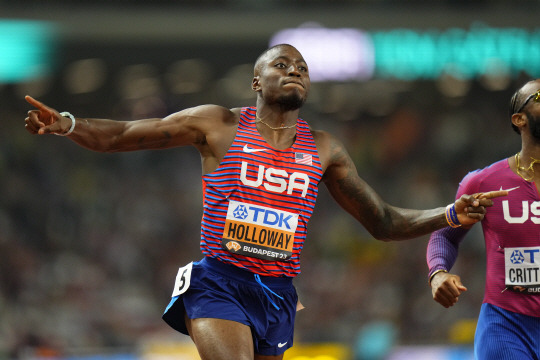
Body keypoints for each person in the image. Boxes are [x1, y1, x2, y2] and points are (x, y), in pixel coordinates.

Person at [25, 44, 505, 360]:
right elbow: (125, 134)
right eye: (282, 65)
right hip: (220, 282)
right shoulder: (218, 125)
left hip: (278, 293)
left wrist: (448, 213)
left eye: (303, 69)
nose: (294, 71)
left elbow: (381, 221)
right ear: (257, 83)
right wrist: (68, 123)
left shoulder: (325, 148)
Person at [427, 79, 540, 360]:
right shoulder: (483, 182)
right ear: (519, 119)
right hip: (507, 329)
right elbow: (444, 233)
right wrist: (438, 273)